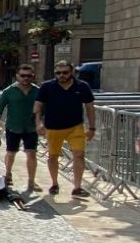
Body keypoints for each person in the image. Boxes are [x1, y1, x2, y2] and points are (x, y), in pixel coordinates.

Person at [34, 60, 96, 198]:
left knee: (79, 154)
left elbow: (90, 108)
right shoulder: (46, 87)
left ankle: (77, 187)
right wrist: (38, 123)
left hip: (75, 127)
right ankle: (55, 183)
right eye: (58, 73)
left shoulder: (82, 86)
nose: (61, 75)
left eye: (65, 72)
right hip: (53, 128)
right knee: (53, 156)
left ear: (72, 72)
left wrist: (92, 128)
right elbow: (37, 106)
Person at [0, 64, 40, 192]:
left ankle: (31, 181)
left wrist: (43, 124)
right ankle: (7, 175)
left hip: (31, 128)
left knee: (31, 153)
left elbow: (44, 109)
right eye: (23, 75)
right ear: (17, 76)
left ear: (33, 76)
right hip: (13, 126)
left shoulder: (37, 91)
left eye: (29, 76)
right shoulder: (9, 91)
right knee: (11, 153)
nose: (26, 78)